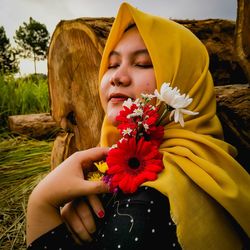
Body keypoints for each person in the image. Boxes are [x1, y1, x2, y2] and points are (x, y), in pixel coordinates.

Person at [26, 2, 250, 249]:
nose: (116, 77)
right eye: (111, 65)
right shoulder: (102, 170)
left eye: (142, 63)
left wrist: (42, 206)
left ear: (184, 81)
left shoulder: (144, 203)